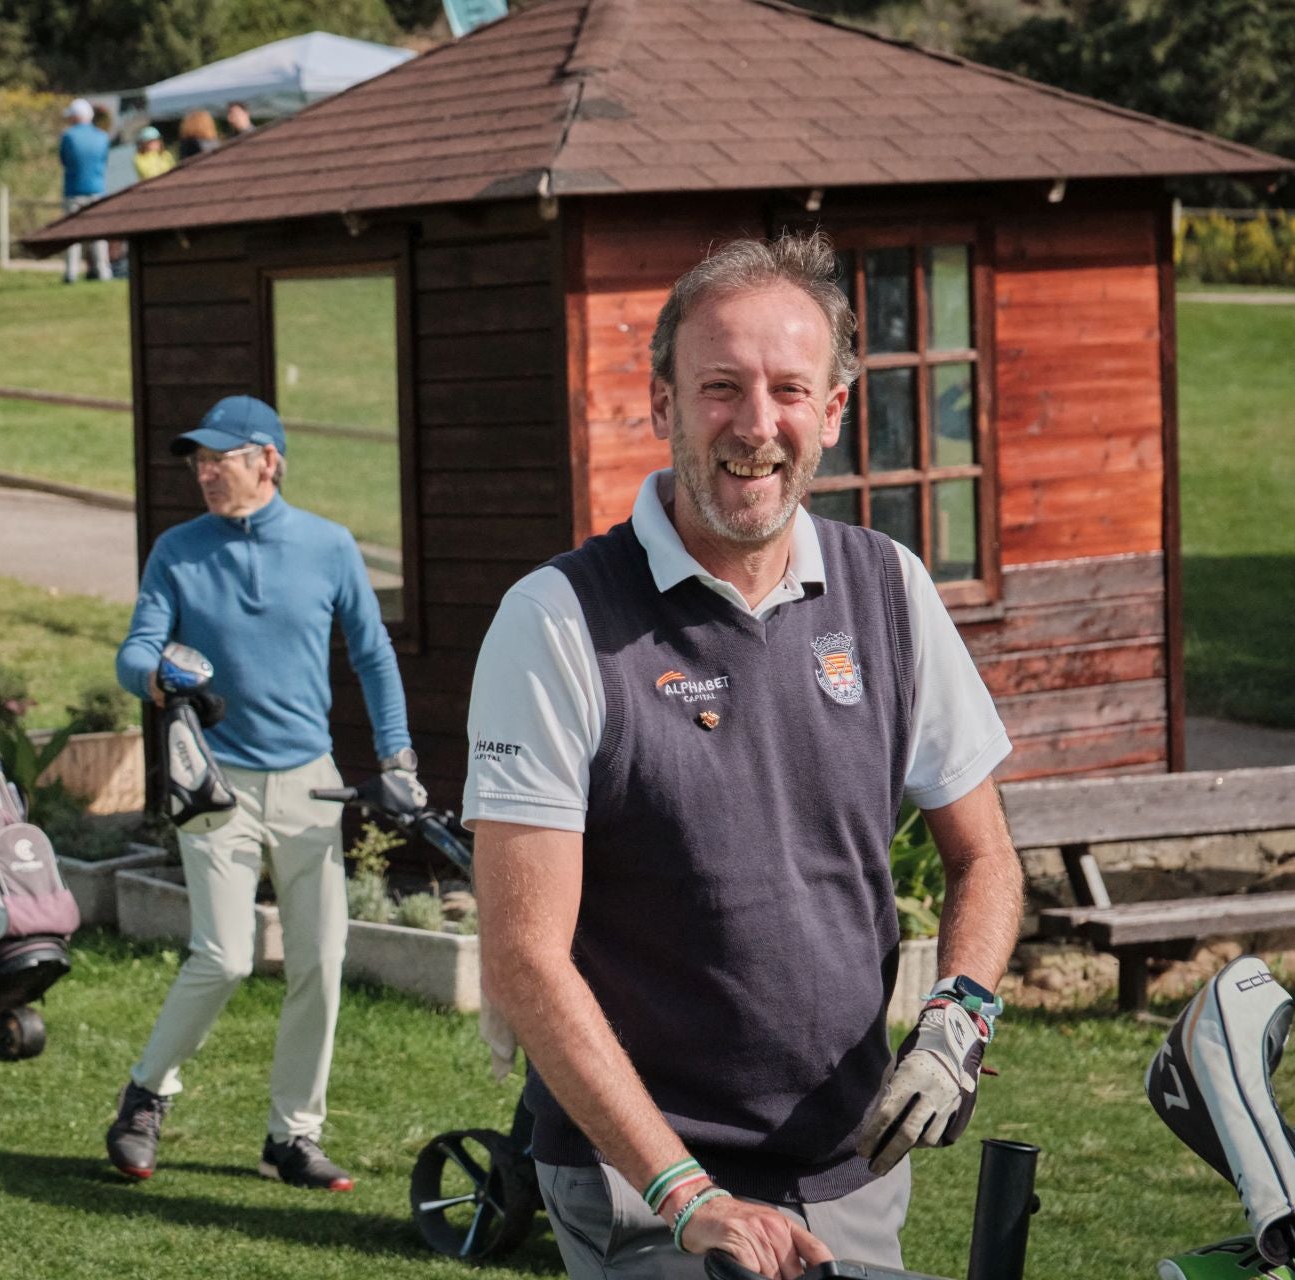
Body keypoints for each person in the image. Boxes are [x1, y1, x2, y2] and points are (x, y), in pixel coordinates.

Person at [465, 233, 1023, 1280]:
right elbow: (522, 955)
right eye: (720, 386)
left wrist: (959, 1015)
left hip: (844, 1164)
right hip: (639, 1176)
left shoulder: (890, 588)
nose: (756, 425)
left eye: (788, 390)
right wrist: (687, 1195)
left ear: (836, 411)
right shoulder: (556, 619)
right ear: (662, 399)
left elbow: (984, 856)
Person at [105, 395, 421, 1191]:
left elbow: (375, 657)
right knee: (224, 956)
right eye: (198, 462)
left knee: (321, 958)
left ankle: (293, 1137)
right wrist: (155, 672)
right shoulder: (177, 551)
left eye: (221, 459)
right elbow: (136, 647)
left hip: (311, 785)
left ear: (268, 460)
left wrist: (397, 757)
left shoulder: (328, 546)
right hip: (212, 783)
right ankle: (145, 1096)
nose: (205, 473)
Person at [58, 97, 111, 283]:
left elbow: (64, 160)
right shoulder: (103, 137)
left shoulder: (68, 136)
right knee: (98, 235)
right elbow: (104, 161)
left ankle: (71, 274)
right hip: (97, 190)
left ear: (75, 117)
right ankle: (103, 272)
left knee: (72, 235)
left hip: (73, 191)